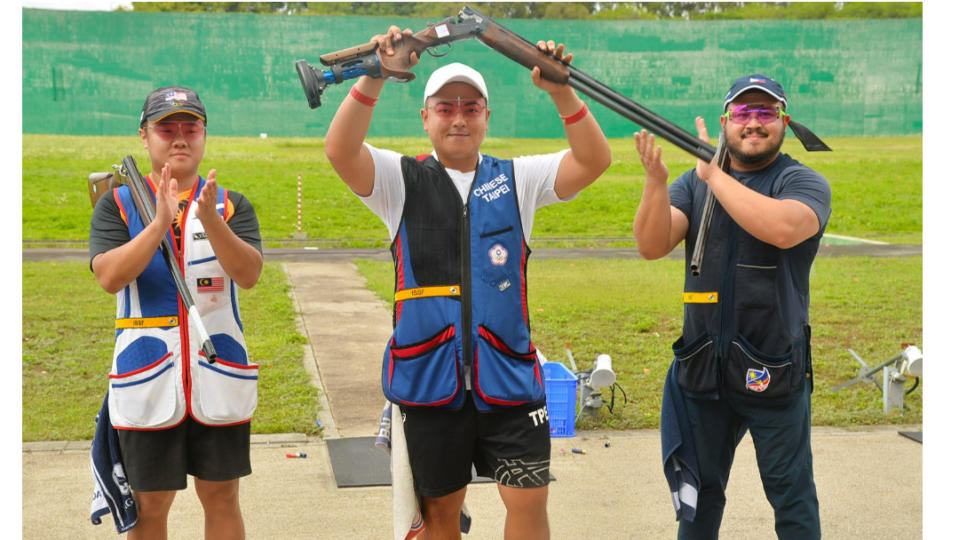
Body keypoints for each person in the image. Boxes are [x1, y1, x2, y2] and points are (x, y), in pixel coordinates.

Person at [324, 26, 610, 539]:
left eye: (470, 108)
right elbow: (341, 151)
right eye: (446, 107)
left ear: (486, 117)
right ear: (426, 116)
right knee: (440, 519)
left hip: (511, 381)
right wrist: (375, 74)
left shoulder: (518, 178)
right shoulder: (399, 179)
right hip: (431, 384)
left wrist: (561, 91)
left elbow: (594, 161)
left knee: (528, 506)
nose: (458, 118)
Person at [633, 74, 831, 539]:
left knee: (792, 495)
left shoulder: (801, 181)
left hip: (774, 368)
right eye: (743, 114)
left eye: (766, 113)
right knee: (697, 498)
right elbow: (651, 243)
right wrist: (657, 183)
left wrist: (714, 175)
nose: (754, 123)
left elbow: (783, 228)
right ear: (726, 122)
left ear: (784, 122)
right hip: (702, 369)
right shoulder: (694, 182)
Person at [88, 86, 263, 540]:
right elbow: (109, 277)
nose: (180, 138)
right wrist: (160, 223)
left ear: (205, 136)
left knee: (222, 497)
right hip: (147, 378)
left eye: (191, 128)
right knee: (150, 506)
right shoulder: (118, 203)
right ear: (144, 136)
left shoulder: (230, 204)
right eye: (167, 128)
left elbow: (248, 274)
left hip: (219, 372)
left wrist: (212, 222)